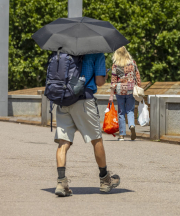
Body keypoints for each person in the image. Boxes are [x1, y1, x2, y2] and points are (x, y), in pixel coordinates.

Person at [55, 53, 120, 197]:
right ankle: (105, 180)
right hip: (84, 100)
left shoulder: (64, 50)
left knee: (63, 142)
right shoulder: (96, 52)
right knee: (96, 139)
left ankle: (61, 182)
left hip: (63, 99)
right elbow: (99, 81)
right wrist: (104, 76)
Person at [109, 47, 141, 141]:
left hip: (120, 90)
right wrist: (138, 87)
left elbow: (113, 81)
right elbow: (137, 76)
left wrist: (111, 94)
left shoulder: (115, 65)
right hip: (131, 89)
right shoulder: (132, 62)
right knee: (130, 110)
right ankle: (131, 125)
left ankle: (122, 135)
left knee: (121, 112)